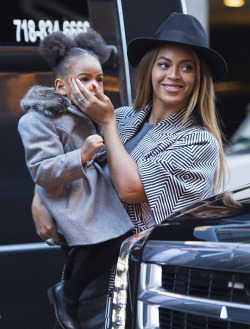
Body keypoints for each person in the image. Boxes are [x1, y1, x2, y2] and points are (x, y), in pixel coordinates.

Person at [31, 12, 228, 329]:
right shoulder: (124, 117)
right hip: (83, 281)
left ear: (198, 77)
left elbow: (130, 189)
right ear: (151, 68)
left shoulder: (197, 141)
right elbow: (69, 157)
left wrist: (106, 123)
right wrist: (40, 195)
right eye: (164, 64)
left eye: (186, 67)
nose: (173, 75)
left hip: (138, 291)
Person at [18, 29, 134, 329]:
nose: (94, 85)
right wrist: (80, 156)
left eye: (98, 79)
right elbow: (41, 170)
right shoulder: (36, 119)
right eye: (84, 79)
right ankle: (67, 296)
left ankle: (68, 297)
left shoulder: (91, 112)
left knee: (120, 243)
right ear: (60, 85)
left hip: (97, 201)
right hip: (74, 205)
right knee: (103, 249)